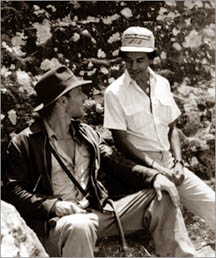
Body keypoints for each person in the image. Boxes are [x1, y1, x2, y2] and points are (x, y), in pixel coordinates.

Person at [4, 65, 197, 257]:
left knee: (161, 196)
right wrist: (54, 206)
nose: (84, 97)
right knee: (80, 226)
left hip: (97, 214)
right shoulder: (24, 142)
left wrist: (154, 177)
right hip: (59, 224)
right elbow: (14, 192)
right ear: (63, 101)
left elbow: (118, 163)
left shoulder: (87, 134)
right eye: (79, 92)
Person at [104, 26, 215, 232]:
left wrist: (179, 163)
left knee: (213, 205)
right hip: (143, 171)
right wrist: (157, 169)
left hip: (171, 164)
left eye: (140, 60)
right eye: (128, 60)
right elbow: (122, 142)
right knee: (171, 222)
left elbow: (172, 127)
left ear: (151, 59)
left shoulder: (162, 83)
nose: (133, 66)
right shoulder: (114, 93)